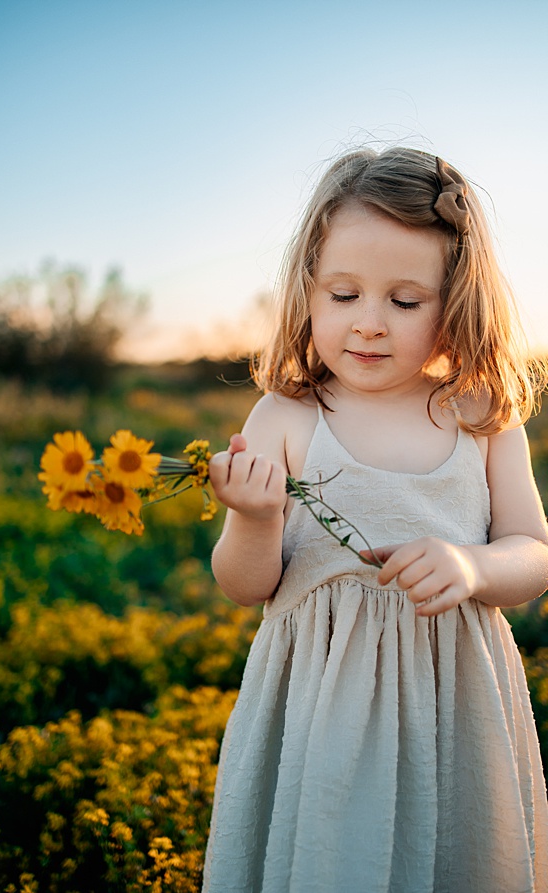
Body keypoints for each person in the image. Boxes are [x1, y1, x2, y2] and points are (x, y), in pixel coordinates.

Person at [202, 147, 548, 892]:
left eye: (404, 300)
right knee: (333, 858)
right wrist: (257, 520)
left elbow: (535, 551)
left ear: (455, 301)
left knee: (454, 850)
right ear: (309, 290)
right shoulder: (288, 417)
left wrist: (475, 565)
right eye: (345, 294)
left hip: (455, 710)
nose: (368, 324)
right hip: (322, 710)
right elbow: (243, 584)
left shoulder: (481, 416)